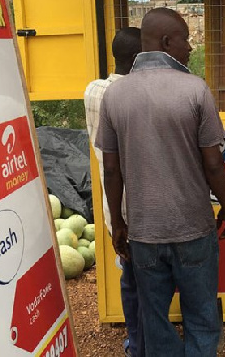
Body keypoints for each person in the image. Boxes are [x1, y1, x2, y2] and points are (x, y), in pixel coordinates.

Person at [96, 7, 225, 356]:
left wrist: (117, 223)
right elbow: (214, 163)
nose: (190, 48)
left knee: (155, 319)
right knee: (201, 316)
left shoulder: (115, 95)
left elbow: (110, 171)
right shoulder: (195, 90)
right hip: (193, 229)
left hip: (144, 234)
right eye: (186, 41)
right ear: (166, 41)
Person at [84, 27, 144, 357]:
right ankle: (149, 344)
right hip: (143, 204)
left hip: (113, 207)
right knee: (150, 282)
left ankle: (136, 344)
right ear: (139, 59)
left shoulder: (93, 91)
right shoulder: (138, 96)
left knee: (130, 278)